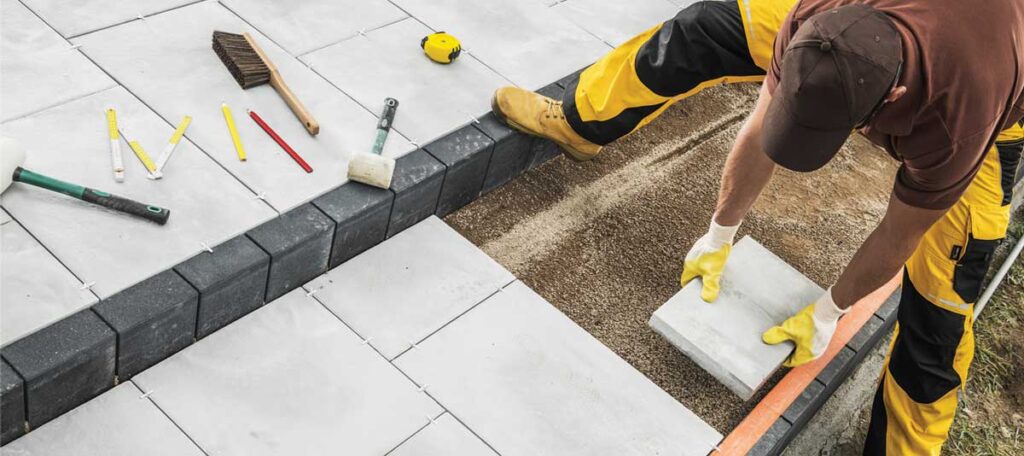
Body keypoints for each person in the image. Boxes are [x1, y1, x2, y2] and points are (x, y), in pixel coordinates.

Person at [490, 0, 1024, 454]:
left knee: (939, 312)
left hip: (993, 99)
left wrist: (829, 311)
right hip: (882, 36)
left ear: (891, 105)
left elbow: (899, 231)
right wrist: (719, 231)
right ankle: (581, 121)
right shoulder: (819, 24)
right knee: (708, 29)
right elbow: (762, 123)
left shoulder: (958, 119)